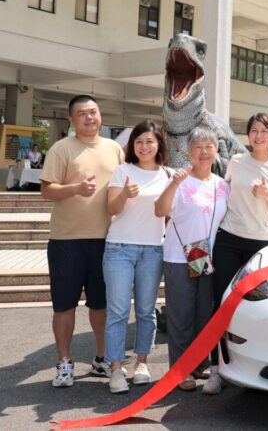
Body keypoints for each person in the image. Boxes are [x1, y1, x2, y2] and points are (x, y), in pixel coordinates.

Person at [40, 95, 125, 388]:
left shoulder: (114, 149)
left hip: (106, 240)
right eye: (82, 114)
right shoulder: (61, 148)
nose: (89, 117)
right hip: (67, 241)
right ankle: (64, 363)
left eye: (94, 112)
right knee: (64, 306)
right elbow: (47, 190)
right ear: (72, 120)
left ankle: (102, 359)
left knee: (101, 305)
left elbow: (125, 184)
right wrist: (75, 188)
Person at [206, 113, 268, 394]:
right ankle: (216, 370)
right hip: (229, 239)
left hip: (260, 244)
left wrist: (267, 196)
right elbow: (223, 194)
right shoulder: (236, 161)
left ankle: (257, 367)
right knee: (220, 303)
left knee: (257, 306)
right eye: (253, 131)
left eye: (264, 131)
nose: (258, 136)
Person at [155, 126, 229, 392]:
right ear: (188, 152)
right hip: (179, 257)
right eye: (198, 147)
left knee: (203, 315)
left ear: (216, 151)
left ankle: (197, 364)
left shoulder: (222, 185)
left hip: (207, 259)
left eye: (209, 147)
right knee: (180, 316)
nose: (204, 152)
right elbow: (160, 210)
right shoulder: (179, 179)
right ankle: (180, 370)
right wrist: (174, 183)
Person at [103, 121, 171, 394]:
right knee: (118, 312)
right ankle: (116, 369)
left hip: (153, 249)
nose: (144, 146)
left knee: (146, 311)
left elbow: (168, 212)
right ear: (132, 146)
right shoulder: (123, 171)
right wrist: (125, 194)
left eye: (149, 141)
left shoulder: (168, 174)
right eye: (139, 141)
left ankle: (141, 363)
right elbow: (111, 207)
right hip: (119, 248)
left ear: (159, 145)